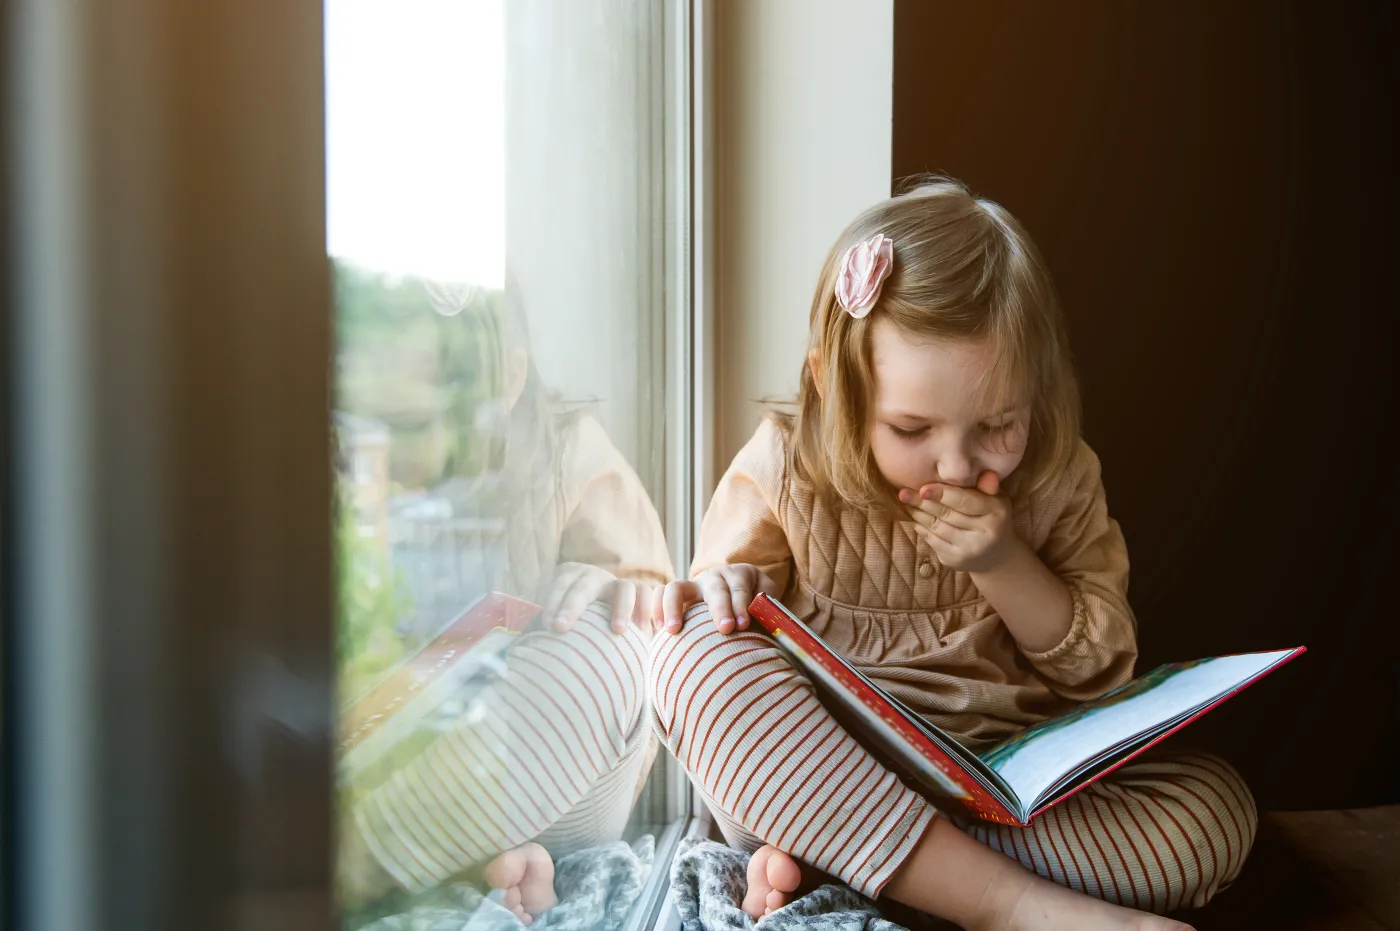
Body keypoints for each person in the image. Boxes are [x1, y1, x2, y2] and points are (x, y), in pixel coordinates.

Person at [649, 177, 1254, 930]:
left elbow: (1102, 672)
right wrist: (726, 583)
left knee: (1214, 814)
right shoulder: (786, 467)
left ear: (1036, 393)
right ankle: (1011, 904)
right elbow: (723, 602)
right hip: (827, 762)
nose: (957, 465)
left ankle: (889, 865)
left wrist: (1005, 562)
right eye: (911, 430)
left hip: (1001, 786)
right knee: (687, 652)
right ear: (834, 390)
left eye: (997, 424)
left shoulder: (1060, 477)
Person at [338, 279, 674, 925]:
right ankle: (450, 862)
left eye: (408, 423)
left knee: (615, 646)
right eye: (355, 416)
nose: (377, 448)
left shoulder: (568, 454)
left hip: (536, 780)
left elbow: (652, 619)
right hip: (381, 771)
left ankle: (374, 862)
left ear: (508, 379)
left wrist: (613, 590)